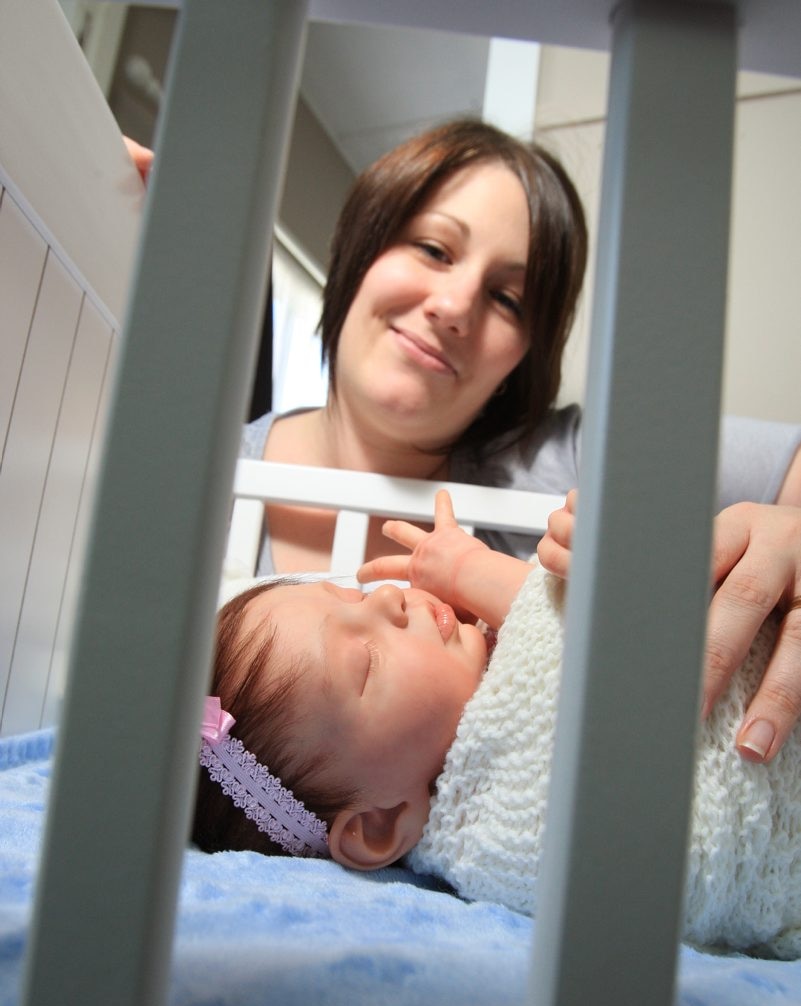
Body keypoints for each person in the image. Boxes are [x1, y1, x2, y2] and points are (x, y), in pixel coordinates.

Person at [123, 119, 801, 752]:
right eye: (431, 248)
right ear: (359, 250)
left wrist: (787, 536)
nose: (453, 307)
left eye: (507, 298)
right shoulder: (180, 471)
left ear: (522, 357)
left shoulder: (567, 461)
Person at [193, 490, 801, 957]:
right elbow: (594, 680)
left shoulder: (477, 659)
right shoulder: (496, 837)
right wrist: (482, 575)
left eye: (348, 597)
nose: (384, 599)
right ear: (379, 825)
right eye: (366, 663)